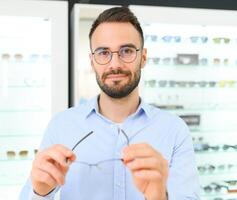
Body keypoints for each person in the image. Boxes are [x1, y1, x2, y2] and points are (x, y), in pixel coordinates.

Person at [20, 6, 200, 200]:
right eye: (104, 53)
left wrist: (158, 196)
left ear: (143, 57)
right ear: (92, 62)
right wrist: (40, 193)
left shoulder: (174, 130)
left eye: (127, 51)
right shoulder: (61, 125)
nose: (115, 64)